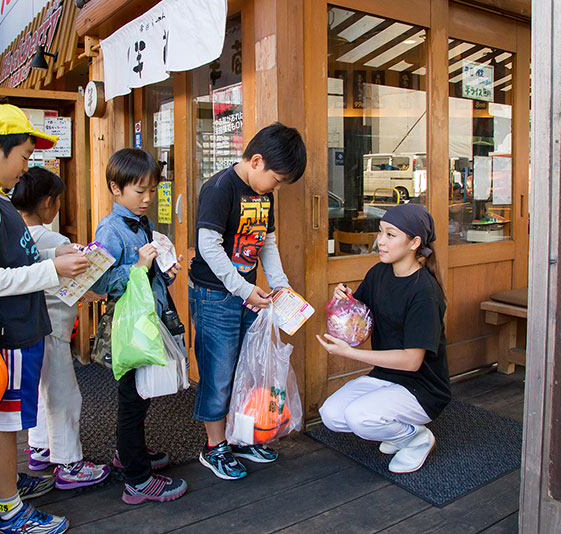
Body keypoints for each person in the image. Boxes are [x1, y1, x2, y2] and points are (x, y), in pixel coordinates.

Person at [0, 104, 90, 534]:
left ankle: (7, 484)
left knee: (12, 419)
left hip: (19, 327)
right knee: (6, 423)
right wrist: (53, 270)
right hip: (6, 330)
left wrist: (53, 255)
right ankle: (7, 509)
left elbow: (16, 258)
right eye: (25, 157)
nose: (26, 169)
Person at [189, 122, 306, 480]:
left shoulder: (263, 195)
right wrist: (242, 288)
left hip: (247, 295)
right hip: (215, 295)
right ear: (256, 161)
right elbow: (208, 246)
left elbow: (266, 242)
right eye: (278, 180)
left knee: (244, 368)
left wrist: (281, 284)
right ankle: (214, 447)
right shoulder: (220, 188)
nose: (277, 188)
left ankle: (240, 436)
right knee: (218, 372)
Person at [316, 203, 450, 474]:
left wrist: (350, 354)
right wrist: (344, 302)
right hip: (386, 377)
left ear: (414, 243)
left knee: (359, 416)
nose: (381, 242)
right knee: (330, 414)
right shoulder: (379, 273)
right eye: (380, 233)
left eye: (391, 235)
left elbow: (412, 361)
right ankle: (396, 431)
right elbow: (359, 322)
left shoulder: (424, 292)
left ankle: (416, 438)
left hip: (422, 390)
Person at [92, 148, 187, 504]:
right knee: (132, 400)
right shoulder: (111, 228)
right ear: (116, 189)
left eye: (152, 190)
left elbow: (146, 276)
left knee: (141, 396)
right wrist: (140, 268)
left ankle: (130, 454)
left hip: (148, 322)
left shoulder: (141, 221)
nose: (147, 198)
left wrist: (163, 270)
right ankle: (136, 479)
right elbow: (98, 282)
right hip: (129, 327)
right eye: (138, 191)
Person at [11, 167, 110, 490]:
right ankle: (69, 463)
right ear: (49, 204)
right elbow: (78, 285)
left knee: (43, 390)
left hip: (28, 327)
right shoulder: (54, 240)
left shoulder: (14, 236)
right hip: (53, 327)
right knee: (64, 394)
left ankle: (40, 446)